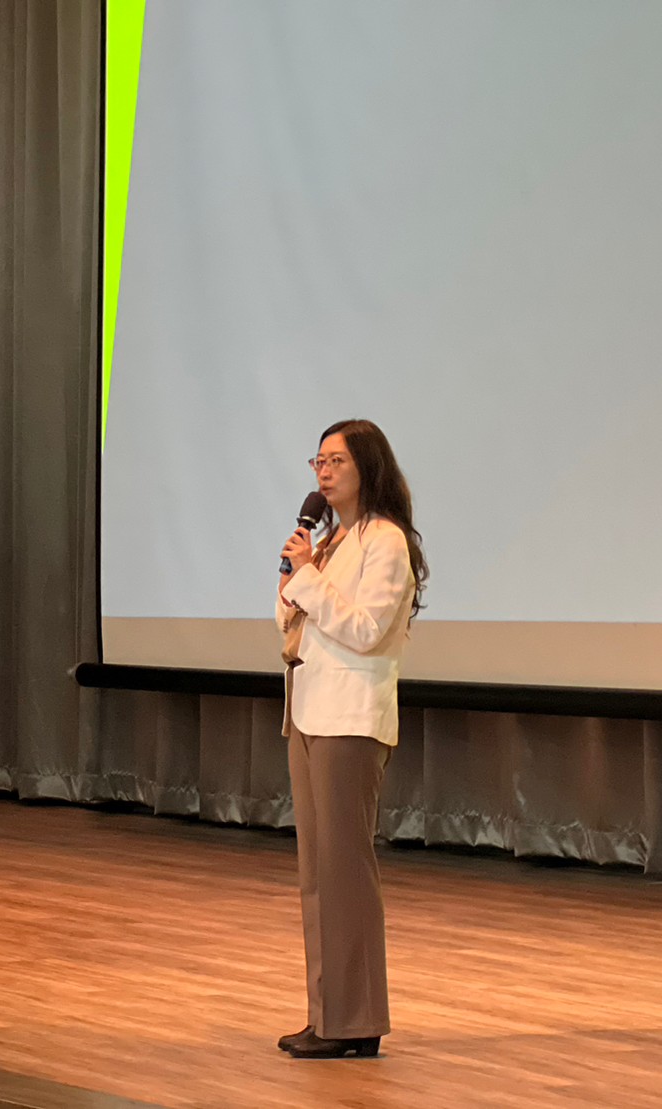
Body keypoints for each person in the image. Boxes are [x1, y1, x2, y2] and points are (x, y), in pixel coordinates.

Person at [273, 419, 428, 1060]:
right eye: (318, 461)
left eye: (336, 460)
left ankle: (355, 1019)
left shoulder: (385, 541)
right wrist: (292, 583)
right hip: (309, 712)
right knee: (317, 875)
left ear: (368, 466)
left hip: (350, 720)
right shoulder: (330, 540)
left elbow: (365, 630)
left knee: (345, 871)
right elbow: (298, 620)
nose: (323, 471)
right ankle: (328, 1015)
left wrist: (308, 578)